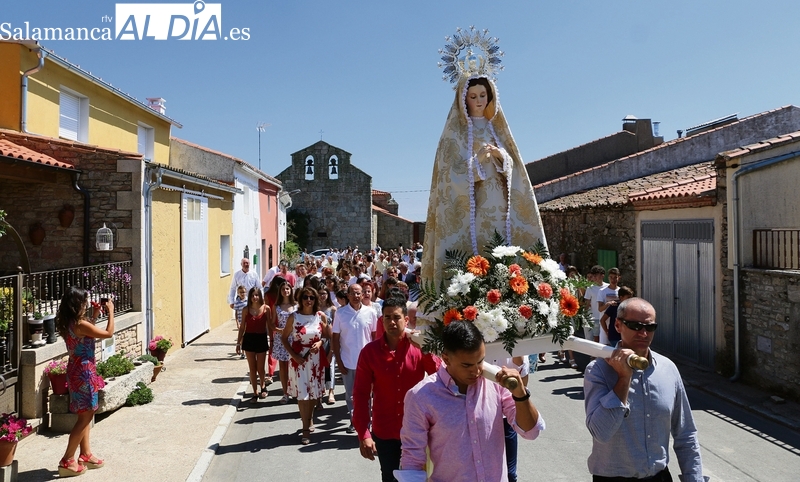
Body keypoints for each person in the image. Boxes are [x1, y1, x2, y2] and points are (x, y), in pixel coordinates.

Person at [420, 75, 547, 289]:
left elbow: (515, 167)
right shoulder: (453, 135)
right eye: (473, 96)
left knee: (501, 246)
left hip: (499, 203)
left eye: (482, 95)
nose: (479, 101)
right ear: (463, 99)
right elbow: (448, 176)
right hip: (472, 207)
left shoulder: (497, 129)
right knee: (476, 245)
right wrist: (476, 162)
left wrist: (501, 156)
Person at [398, 320, 545, 481]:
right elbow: (412, 459)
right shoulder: (421, 397)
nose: (476, 371)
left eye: (480, 361)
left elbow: (531, 432)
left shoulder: (495, 384)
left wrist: (520, 394)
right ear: (446, 358)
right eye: (467, 365)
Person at [584, 298, 707, 481]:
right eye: (635, 325)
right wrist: (624, 378)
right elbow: (601, 433)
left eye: (650, 327)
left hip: (659, 476)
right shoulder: (598, 370)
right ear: (618, 325)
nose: (643, 333)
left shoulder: (668, 369)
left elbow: (685, 433)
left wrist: (694, 478)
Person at [353, 296, 440, 482]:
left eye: (396, 317)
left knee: (419, 478)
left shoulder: (418, 348)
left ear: (406, 320)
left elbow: (440, 376)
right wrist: (363, 433)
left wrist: (425, 349)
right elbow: (360, 395)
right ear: (381, 319)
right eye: (387, 317)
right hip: (385, 432)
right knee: (390, 478)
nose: (391, 322)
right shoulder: (369, 352)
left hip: (417, 430)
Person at [55, 286, 112, 477]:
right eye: (84, 302)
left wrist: (95, 315)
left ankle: (85, 454)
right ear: (77, 304)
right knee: (85, 417)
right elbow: (108, 334)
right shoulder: (80, 324)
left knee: (85, 415)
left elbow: (87, 334)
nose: (87, 304)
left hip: (76, 371)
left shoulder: (70, 323)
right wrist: (110, 312)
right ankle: (67, 460)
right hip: (84, 374)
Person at [281, 286, 329, 445]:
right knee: (303, 395)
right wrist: (294, 356)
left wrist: (320, 342)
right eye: (305, 297)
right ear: (300, 299)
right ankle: (305, 429)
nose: (309, 300)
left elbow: (327, 336)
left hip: (315, 362)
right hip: (299, 361)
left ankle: (309, 418)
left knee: (313, 395)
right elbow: (284, 338)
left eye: (312, 297)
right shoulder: (293, 317)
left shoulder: (320, 316)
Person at [331, 283, 378, 434]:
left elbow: (375, 337)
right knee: (351, 395)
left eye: (359, 293)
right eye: (354, 293)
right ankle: (354, 421)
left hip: (367, 363)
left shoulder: (370, 312)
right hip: (347, 361)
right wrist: (338, 360)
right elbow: (335, 338)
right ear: (348, 295)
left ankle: (367, 423)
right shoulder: (341, 313)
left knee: (367, 395)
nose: (357, 296)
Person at [236, 287, 272, 400]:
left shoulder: (266, 309)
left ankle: (263, 387)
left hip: (261, 339)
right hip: (249, 339)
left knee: (260, 368)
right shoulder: (246, 309)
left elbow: (269, 326)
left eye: (257, 295)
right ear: (250, 297)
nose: (255, 297)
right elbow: (242, 328)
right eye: (252, 295)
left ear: (260, 296)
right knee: (252, 368)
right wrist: (238, 343)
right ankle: (255, 393)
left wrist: (272, 340)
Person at [270, 282, 296, 404]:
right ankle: (285, 393)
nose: (285, 291)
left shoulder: (296, 305)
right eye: (283, 289)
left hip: (294, 338)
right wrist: (279, 330)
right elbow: (271, 323)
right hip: (281, 339)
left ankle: (295, 391)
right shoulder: (277, 306)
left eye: (287, 288)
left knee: (294, 366)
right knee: (282, 367)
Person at [584, 265, 608, 344]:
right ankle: (594, 356)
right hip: (595, 318)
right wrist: (584, 317)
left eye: (596, 275)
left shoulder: (607, 287)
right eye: (593, 276)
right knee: (596, 339)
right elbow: (587, 303)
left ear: (602, 275)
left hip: (606, 318)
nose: (594, 278)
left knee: (605, 339)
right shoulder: (590, 288)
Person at [597, 267, 621, 346]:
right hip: (605, 324)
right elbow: (600, 309)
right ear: (608, 278)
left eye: (615, 277)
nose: (613, 280)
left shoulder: (620, 291)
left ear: (619, 278)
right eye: (611, 277)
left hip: (616, 326)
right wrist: (608, 304)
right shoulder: (602, 291)